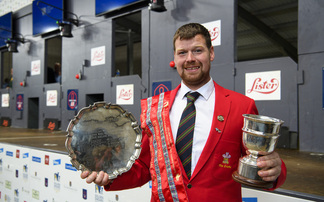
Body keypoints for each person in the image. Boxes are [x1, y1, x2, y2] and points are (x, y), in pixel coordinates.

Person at [81, 23, 287, 201]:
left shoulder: (242, 106)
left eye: (198, 50)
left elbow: (258, 161)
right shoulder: (155, 107)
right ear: (175, 58)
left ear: (211, 53)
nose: (190, 59)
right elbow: (145, 166)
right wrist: (110, 173)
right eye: (182, 53)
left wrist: (273, 170)